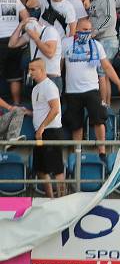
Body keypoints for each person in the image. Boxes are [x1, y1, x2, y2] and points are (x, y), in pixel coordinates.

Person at [63, 18, 120, 158]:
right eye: (84, 29)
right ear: (77, 29)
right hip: (72, 90)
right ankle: (77, 153)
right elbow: (60, 64)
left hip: (92, 88)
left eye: (89, 30)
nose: (87, 32)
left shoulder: (96, 45)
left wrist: (119, 84)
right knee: (76, 124)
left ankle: (102, 151)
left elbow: (107, 67)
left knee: (99, 119)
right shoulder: (66, 43)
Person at [29, 58, 65, 199]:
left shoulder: (49, 86)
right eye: (29, 69)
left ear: (42, 70)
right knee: (40, 168)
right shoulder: (36, 88)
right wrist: (28, 113)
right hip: (40, 133)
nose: (29, 72)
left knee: (56, 168)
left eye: (32, 69)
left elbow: (55, 109)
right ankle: (50, 198)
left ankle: (62, 199)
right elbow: (41, 110)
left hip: (51, 132)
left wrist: (41, 128)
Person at [84, 0, 117, 105]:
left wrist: (94, 32)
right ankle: (106, 104)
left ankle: (104, 104)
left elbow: (110, 18)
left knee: (101, 75)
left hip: (107, 40)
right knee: (104, 76)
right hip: (100, 40)